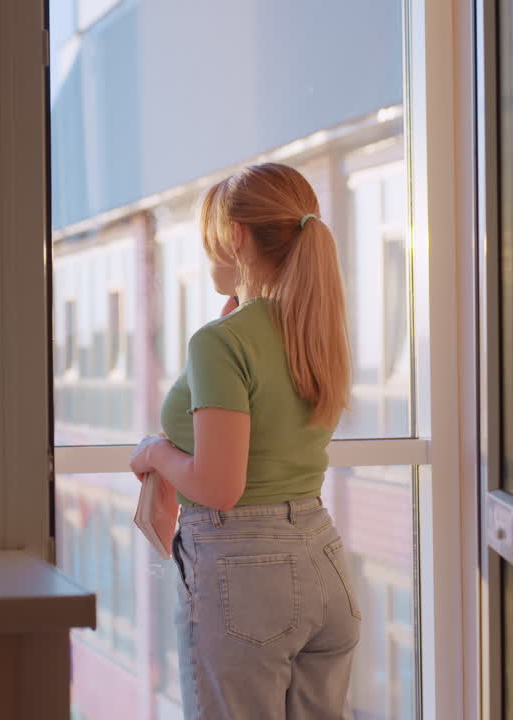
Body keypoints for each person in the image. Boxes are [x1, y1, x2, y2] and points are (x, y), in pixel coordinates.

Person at [129, 163, 359, 719]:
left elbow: (219, 486)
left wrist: (155, 452)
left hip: (246, 574)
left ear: (235, 237)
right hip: (324, 560)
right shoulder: (314, 329)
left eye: (209, 239)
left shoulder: (223, 342)